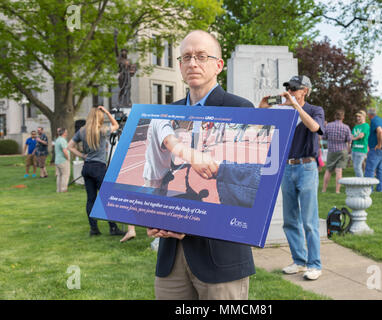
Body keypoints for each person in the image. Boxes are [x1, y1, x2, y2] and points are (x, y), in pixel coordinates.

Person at [146, 30, 255, 300]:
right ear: (180, 66)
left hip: (221, 256)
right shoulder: (164, 115)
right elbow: (155, 173)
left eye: (202, 56)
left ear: (219, 65)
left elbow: (254, 181)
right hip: (171, 258)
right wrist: (149, 214)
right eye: (186, 57)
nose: (193, 63)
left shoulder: (242, 110)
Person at [259, 75, 324, 281]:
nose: (290, 92)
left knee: (309, 220)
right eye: (288, 88)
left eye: (294, 89)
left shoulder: (315, 110)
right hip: (287, 167)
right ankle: (299, 261)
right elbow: (258, 122)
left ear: (305, 90)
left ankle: (314, 264)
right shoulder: (282, 112)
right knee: (289, 219)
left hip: (307, 167)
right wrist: (263, 106)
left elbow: (315, 127)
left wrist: (296, 106)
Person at [67, 106, 126, 237]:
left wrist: (82, 155)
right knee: (106, 199)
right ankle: (113, 228)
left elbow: (69, 146)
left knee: (91, 200)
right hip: (99, 168)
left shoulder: (82, 131)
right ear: (100, 118)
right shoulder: (102, 130)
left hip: (87, 167)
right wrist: (107, 112)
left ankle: (94, 229)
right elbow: (116, 125)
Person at [322, 109, 352, 193]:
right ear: (343, 117)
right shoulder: (346, 127)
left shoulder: (328, 126)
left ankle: (324, 190)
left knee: (328, 170)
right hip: (342, 150)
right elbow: (349, 140)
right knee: (339, 171)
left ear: (335, 116)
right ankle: (337, 190)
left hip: (331, 150)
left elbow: (323, 137)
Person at [364, 109, 382, 192]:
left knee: (370, 169)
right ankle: (380, 188)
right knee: (380, 170)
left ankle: (368, 189)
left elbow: (379, 131)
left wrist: (379, 144)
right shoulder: (381, 120)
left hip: (375, 149)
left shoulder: (374, 120)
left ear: (369, 115)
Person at [351, 111, 370, 177]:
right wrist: (353, 138)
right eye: (357, 116)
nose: (357, 118)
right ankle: (359, 182)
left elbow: (361, 136)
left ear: (364, 117)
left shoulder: (366, 125)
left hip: (361, 149)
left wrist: (353, 138)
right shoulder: (356, 126)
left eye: (359, 116)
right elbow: (351, 135)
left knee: (357, 167)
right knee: (356, 167)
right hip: (354, 149)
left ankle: (361, 184)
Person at [54, 128, 71, 193]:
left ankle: (58, 190)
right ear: (64, 133)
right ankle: (64, 189)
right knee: (65, 175)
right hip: (63, 160)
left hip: (57, 160)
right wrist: (68, 158)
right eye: (66, 132)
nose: (67, 133)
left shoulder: (57, 139)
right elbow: (64, 150)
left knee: (59, 175)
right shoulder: (62, 140)